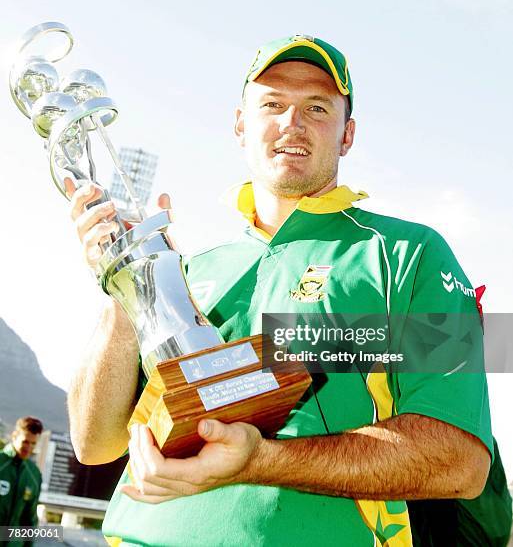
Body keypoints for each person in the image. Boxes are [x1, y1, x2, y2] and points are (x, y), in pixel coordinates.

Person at [67, 35, 498, 546]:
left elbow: (459, 460)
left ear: (347, 135)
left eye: (317, 107)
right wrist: (129, 284)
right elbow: (94, 443)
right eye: (272, 104)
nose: (292, 122)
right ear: (240, 125)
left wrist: (259, 461)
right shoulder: (187, 271)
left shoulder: (407, 253)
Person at [0, 417, 43, 540]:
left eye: (33, 443)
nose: (29, 448)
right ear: (14, 436)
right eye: (25, 442)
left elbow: (30, 518)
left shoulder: (34, 474)